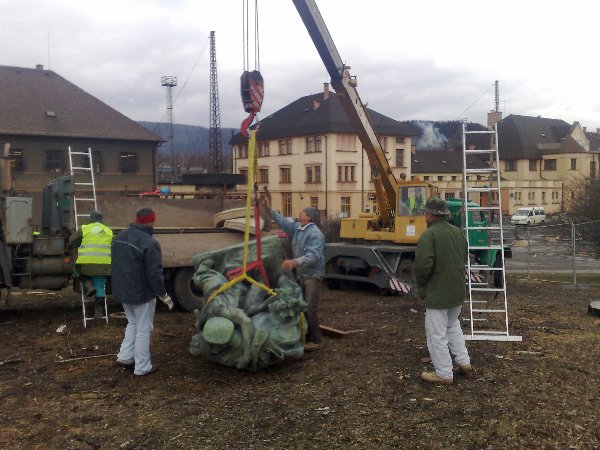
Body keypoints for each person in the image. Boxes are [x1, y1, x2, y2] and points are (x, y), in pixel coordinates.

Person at [415, 197, 471, 384]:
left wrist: (422, 288)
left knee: (435, 334)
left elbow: (423, 267)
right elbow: (465, 255)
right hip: (457, 290)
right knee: (452, 325)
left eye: (425, 212)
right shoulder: (457, 232)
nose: (424, 214)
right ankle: (464, 362)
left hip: (438, 292)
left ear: (431, 214)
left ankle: (444, 373)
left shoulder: (428, 235)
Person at [111, 208, 173, 376]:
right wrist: (163, 295)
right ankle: (142, 367)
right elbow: (154, 273)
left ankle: (124, 356)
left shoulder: (119, 237)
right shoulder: (150, 243)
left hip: (123, 289)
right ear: (151, 221)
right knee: (144, 329)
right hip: (141, 293)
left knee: (132, 323)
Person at [261, 195, 325, 351]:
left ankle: (316, 340)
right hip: (302, 274)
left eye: (303, 212)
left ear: (308, 217)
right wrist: (269, 210)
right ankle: (304, 335)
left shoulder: (315, 234)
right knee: (301, 306)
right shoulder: (297, 228)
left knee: (310, 307)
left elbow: (313, 256)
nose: (300, 212)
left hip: (312, 276)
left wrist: (293, 262)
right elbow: (283, 222)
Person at [68, 210, 112, 320]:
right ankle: (98, 314)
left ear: (90, 219)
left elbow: (71, 240)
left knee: (76, 269)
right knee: (100, 288)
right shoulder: (109, 231)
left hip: (86, 264)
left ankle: (88, 285)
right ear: (101, 220)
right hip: (104, 264)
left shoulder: (85, 228)